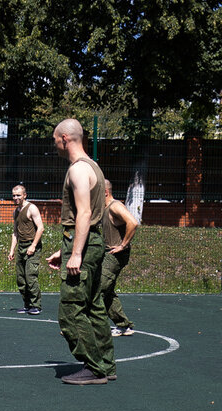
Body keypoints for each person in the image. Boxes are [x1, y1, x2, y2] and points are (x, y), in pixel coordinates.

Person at [46, 119, 115, 385]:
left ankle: (94, 368)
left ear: (65, 138)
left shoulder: (77, 170)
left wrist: (75, 254)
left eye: (54, 139)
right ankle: (107, 365)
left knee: (71, 310)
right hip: (91, 244)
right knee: (95, 306)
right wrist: (65, 250)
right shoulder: (94, 168)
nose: (54, 144)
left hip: (85, 247)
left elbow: (84, 213)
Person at [101, 179, 138, 337]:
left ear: (105, 192)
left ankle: (88, 326)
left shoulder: (115, 206)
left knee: (98, 289)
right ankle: (123, 325)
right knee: (107, 291)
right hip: (107, 254)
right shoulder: (102, 208)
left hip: (115, 255)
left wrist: (122, 245)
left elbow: (133, 222)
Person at [7, 185, 44, 315]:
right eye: (13, 195)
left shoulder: (32, 208)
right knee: (21, 278)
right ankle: (27, 304)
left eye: (18, 195)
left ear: (24, 195)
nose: (15, 198)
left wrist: (33, 245)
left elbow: (40, 228)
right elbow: (15, 233)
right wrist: (12, 250)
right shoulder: (16, 211)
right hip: (21, 247)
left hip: (32, 246)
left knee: (30, 276)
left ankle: (36, 305)